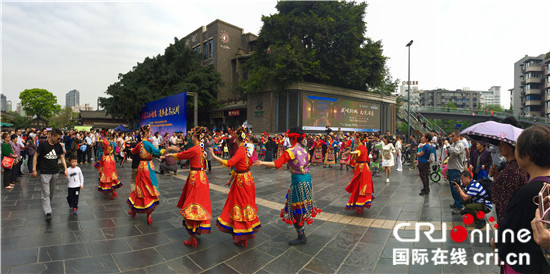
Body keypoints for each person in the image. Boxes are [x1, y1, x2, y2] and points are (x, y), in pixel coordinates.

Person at [493, 125, 550, 273]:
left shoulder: (527, 192)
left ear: (528, 154)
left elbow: (507, 234)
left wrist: (495, 244)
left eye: (517, 149)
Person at [255, 127, 320, 245]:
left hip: (298, 182)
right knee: (301, 208)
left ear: (293, 138)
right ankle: (301, 234)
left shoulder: (291, 151)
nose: (288, 140)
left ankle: (301, 236)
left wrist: (261, 162)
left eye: (289, 138)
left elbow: (276, 163)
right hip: (307, 180)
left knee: (296, 210)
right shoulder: (304, 150)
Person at [210, 126, 260, 247]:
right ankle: (245, 232)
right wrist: (230, 179)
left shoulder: (241, 150)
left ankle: (243, 234)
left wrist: (214, 156)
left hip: (242, 181)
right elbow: (239, 166)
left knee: (241, 205)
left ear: (236, 138)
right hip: (247, 178)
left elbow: (230, 163)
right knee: (245, 204)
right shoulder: (247, 148)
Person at [166, 127, 212, 248]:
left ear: (196, 137)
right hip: (202, 178)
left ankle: (192, 236)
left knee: (191, 205)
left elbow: (182, 155)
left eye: (192, 135)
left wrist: (171, 153)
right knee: (200, 204)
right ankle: (197, 229)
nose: (191, 137)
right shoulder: (202, 149)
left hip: (195, 178)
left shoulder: (196, 149)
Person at [127, 125, 178, 225]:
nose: (150, 133)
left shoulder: (140, 143)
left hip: (141, 166)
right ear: (146, 133)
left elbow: (133, 151)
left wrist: (129, 149)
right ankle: (149, 215)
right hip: (148, 167)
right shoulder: (147, 144)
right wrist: (169, 148)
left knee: (139, 188)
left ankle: (134, 210)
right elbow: (157, 152)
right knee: (149, 188)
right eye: (149, 132)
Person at [32, 129, 68, 223]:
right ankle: (48, 212)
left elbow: (61, 157)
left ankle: (46, 204)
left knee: (51, 192)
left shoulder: (58, 146)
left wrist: (65, 168)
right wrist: (34, 169)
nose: (59, 140)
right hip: (44, 172)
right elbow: (35, 156)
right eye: (58, 138)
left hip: (55, 172)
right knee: (46, 193)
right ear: (52, 136)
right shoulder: (43, 145)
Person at [491, 140, 528, 226]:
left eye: (502, 144)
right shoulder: (512, 167)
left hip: (508, 220)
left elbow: (506, 198)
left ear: (511, 147)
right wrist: (496, 176)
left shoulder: (512, 170)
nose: (499, 148)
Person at [345, 134, 374, 213]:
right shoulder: (358, 147)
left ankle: (361, 205)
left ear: (359, 139)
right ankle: (358, 204)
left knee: (362, 187)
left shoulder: (362, 147)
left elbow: (358, 152)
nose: (354, 140)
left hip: (363, 170)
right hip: (359, 169)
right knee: (357, 186)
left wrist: (350, 153)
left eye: (355, 139)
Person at [447, 132, 466, 212]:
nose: (451, 137)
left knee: (456, 187)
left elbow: (454, 152)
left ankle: (460, 205)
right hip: (452, 168)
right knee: (452, 187)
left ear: (458, 136)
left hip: (456, 169)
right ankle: (456, 202)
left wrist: (448, 145)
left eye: (453, 136)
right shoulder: (454, 144)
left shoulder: (460, 145)